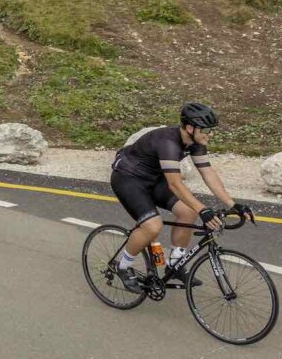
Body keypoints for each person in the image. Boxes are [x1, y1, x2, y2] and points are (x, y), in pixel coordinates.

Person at [108, 102, 252, 292]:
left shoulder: (195, 142)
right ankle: (122, 266)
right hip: (129, 179)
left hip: (153, 178)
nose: (211, 134)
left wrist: (232, 204)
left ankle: (174, 264)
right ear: (190, 128)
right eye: (207, 130)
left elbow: (208, 173)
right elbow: (175, 184)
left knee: (188, 212)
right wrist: (204, 210)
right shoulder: (168, 142)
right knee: (153, 227)